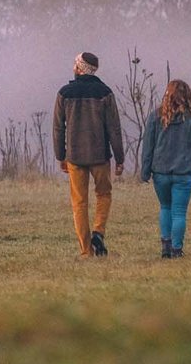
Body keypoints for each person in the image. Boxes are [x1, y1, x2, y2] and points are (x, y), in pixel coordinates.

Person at [52, 51, 125, 258]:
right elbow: (114, 128)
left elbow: (58, 128)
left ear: (79, 68)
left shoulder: (64, 93)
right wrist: (119, 158)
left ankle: (86, 251)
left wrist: (61, 155)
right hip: (100, 156)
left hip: (74, 157)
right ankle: (98, 232)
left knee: (79, 202)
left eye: (75, 64)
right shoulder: (105, 93)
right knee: (103, 194)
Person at [139, 78, 191, 259]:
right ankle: (177, 250)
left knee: (165, 207)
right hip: (183, 173)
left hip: (160, 172)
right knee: (179, 212)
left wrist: (145, 171)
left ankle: (165, 247)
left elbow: (148, 146)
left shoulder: (155, 116)